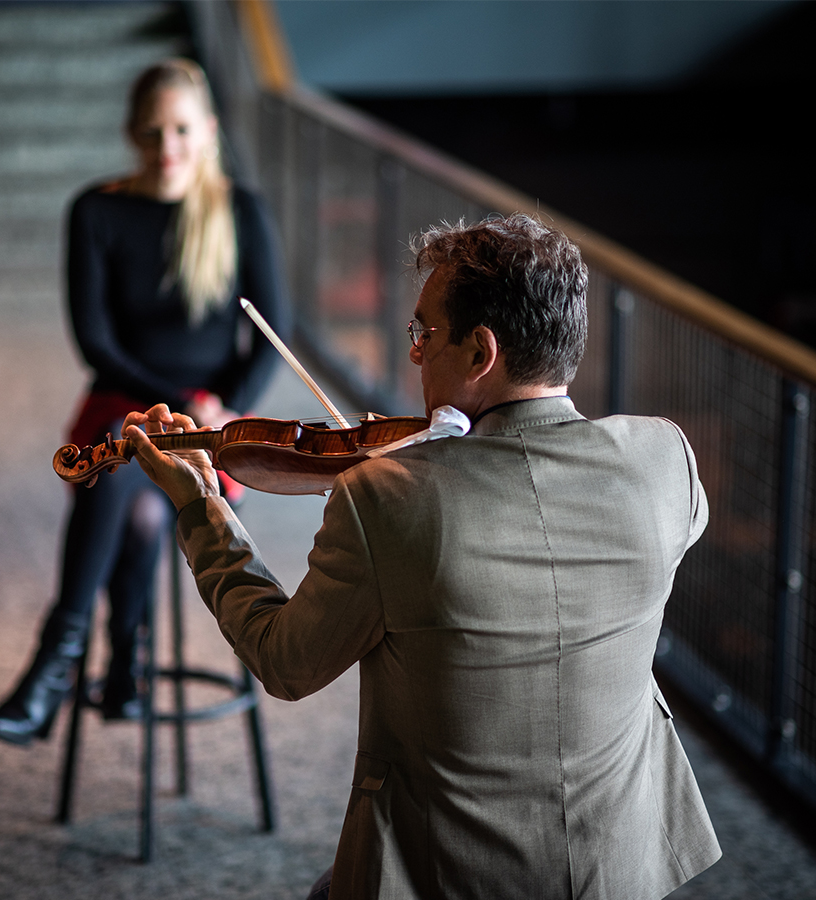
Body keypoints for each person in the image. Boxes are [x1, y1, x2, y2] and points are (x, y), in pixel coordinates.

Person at [124, 213, 721, 899]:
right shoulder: (665, 462)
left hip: (446, 872)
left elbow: (284, 663)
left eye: (425, 334)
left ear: (481, 353)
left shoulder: (386, 499)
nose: (415, 354)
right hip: (620, 864)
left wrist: (201, 505)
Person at [0, 58, 288, 744]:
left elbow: (272, 335)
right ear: (130, 134)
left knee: (135, 481)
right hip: (123, 401)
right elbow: (96, 343)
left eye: (181, 129)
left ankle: (61, 668)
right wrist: (178, 401)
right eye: (151, 131)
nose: (166, 146)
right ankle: (116, 665)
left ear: (208, 131)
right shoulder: (96, 211)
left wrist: (224, 406)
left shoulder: (240, 210)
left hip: (213, 427)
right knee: (130, 457)